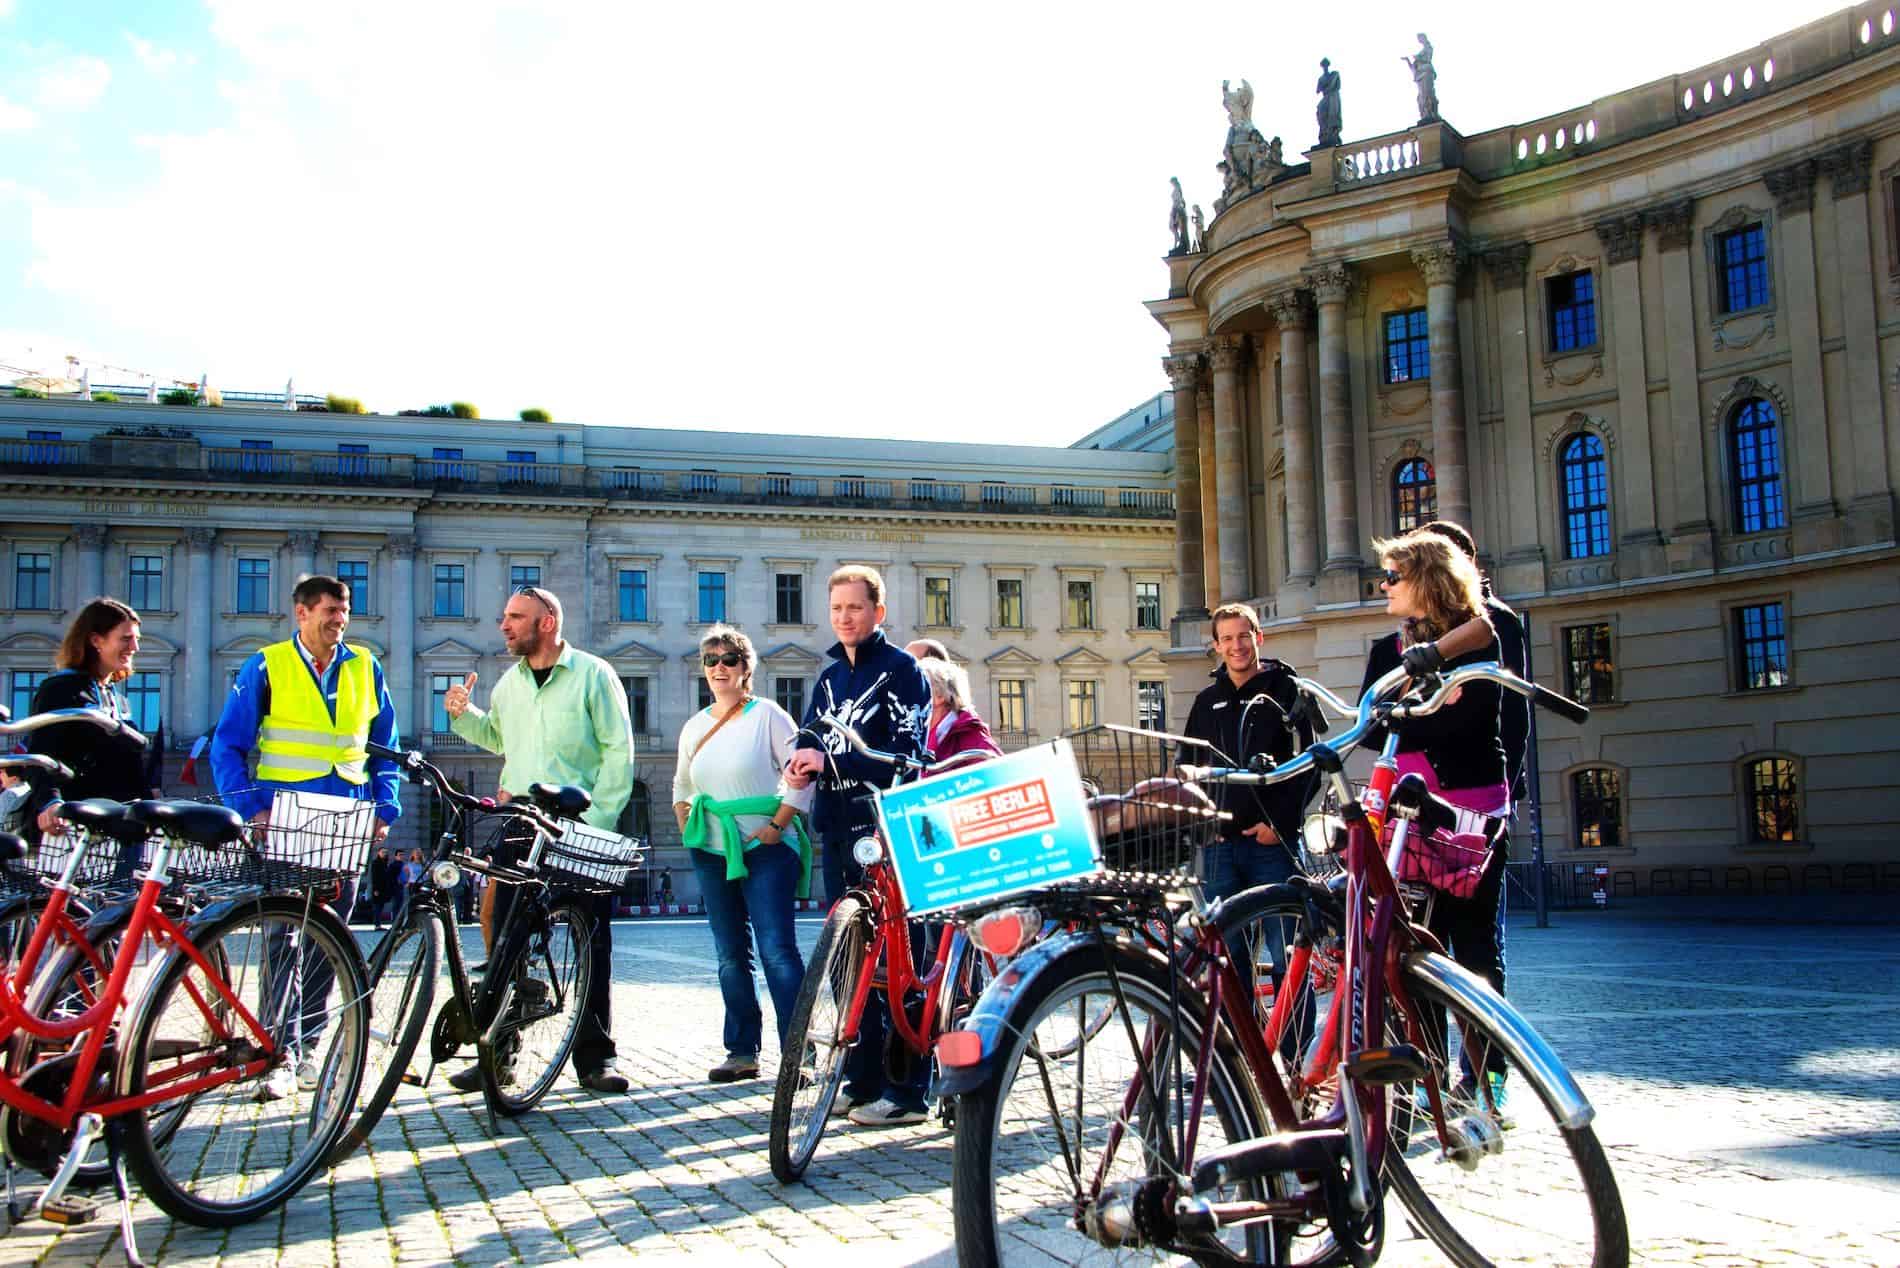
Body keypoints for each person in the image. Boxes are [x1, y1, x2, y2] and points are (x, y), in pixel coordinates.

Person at [209, 575, 401, 1098]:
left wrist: (386, 805)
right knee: (282, 935)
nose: (339, 620)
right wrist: (249, 808)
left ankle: (310, 1047)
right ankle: (280, 1053)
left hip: (347, 818)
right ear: (301, 613)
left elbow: (386, 744)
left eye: (344, 611)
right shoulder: (266, 666)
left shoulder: (365, 666)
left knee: (329, 935)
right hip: (286, 817)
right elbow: (227, 745)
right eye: (329, 611)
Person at [443, 584, 635, 1095]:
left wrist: (600, 820)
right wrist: (464, 717)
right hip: (520, 823)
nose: (504, 625)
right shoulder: (509, 684)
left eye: (515, 617)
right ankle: (498, 1055)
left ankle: (596, 1059)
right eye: (505, 616)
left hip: (578, 824)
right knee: (506, 942)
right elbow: (500, 740)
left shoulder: (594, 674)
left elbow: (619, 751)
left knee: (591, 942)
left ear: (546, 622)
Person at [1357, 528, 1509, 1098]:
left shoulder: (1481, 640)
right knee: (1413, 948)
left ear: (1426, 580)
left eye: (1394, 577)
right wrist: (1423, 710)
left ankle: (1488, 1078)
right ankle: (1432, 1077)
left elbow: (1475, 720)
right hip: (1404, 815)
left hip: (1467, 813)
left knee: (1475, 954)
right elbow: (1371, 728)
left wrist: (1408, 716)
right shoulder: (1384, 652)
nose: (1384, 586)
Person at [785, 564, 931, 1127]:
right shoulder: (825, 678)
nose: (845, 617)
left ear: (879, 612)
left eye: (856, 607)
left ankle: (906, 1091)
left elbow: (909, 754)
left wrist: (833, 760)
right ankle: (860, 1076)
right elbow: (810, 733)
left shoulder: (903, 671)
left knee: (900, 956)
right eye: (837, 608)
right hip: (837, 824)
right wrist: (800, 761)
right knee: (849, 958)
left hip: (888, 829)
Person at [672, 624, 813, 1084]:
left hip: (765, 847)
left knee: (776, 951)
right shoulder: (695, 725)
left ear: (746, 668)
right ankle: (741, 1051)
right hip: (712, 849)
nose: (718, 667)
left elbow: (800, 773)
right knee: (730, 953)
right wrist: (685, 821)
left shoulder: (768, 715)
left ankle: (799, 1054)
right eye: (710, 659)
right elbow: (682, 783)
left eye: (728, 658)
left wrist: (778, 827)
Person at [1182, 602, 1315, 983]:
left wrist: (1281, 824)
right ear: (1217, 646)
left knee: (1287, 952)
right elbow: (1185, 765)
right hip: (1218, 847)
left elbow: (1312, 765)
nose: (1236, 645)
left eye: (1243, 636)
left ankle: (1291, 1043)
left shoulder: (1288, 692)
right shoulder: (1206, 701)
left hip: (1272, 844)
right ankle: (1239, 1042)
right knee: (1227, 955)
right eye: (1227, 639)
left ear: (1259, 637)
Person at [22, 599, 161, 857]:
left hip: (122, 824)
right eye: (125, 639)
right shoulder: (62, 689)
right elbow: (42, 753)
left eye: (136, 639)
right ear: (96, 640)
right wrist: (50, 802)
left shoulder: (116, 697)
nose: (135, 647)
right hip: (73, 826)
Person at [915, 657, 1003, 774]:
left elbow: (998, 777)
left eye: (917, 687)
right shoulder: (921, 735)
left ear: (939, 696)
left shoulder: (971, 738)